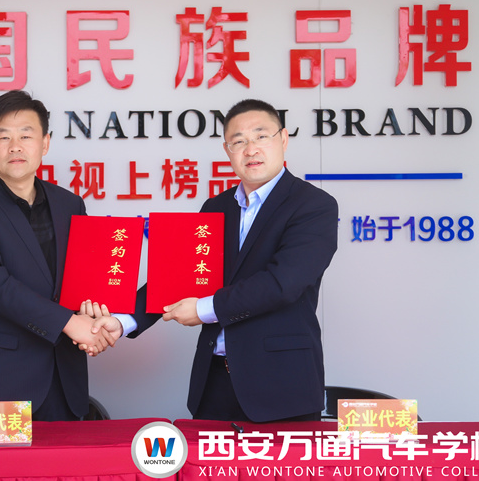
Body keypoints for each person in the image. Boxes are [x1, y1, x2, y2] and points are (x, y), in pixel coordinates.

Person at [87, 98, 339, 423]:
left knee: (280, 462)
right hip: (215, 384)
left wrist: (205, 309)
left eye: (261, 136)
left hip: (281, 385)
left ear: (283, 139)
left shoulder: (313, 205)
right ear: (227, 150)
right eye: (239, 141)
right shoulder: (216, 207)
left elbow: (283, 284)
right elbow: (177, 277)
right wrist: (123, 321)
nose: (251, 149)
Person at [0, 90, 117, 421]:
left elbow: (81, 278)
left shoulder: (70, 204)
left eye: (26, 135)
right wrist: (70, 323)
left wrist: (94, 314)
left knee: (69, 457)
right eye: (3, 136)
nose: (15, 146)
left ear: (45, 143)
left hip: (65, 378)